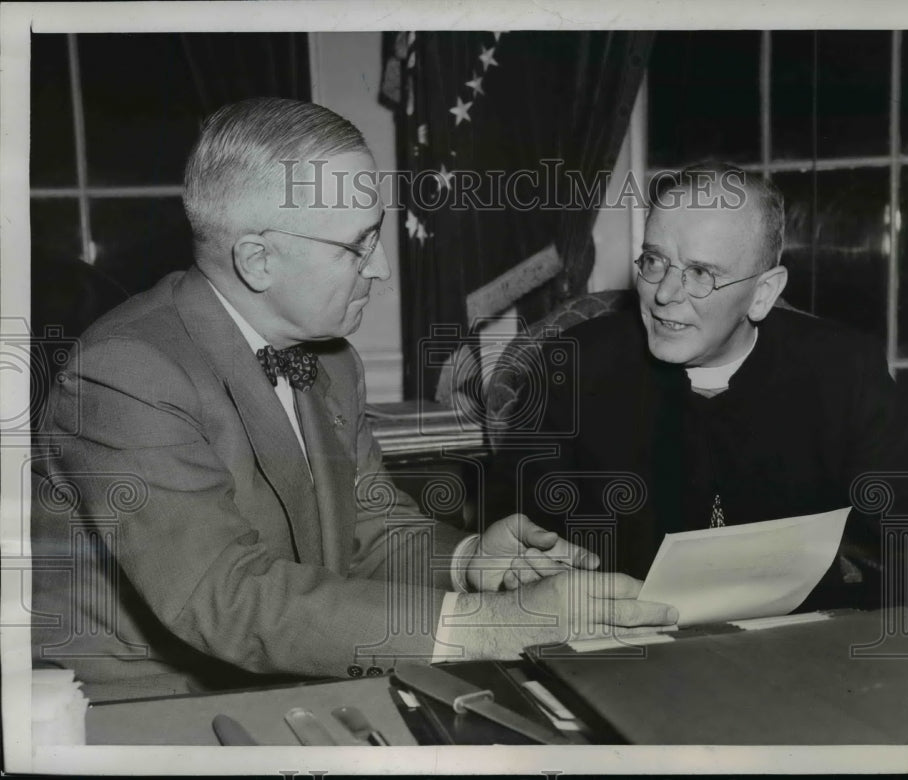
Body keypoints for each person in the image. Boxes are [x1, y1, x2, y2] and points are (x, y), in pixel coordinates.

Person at [30, 98, 677, 699]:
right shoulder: (125, 373)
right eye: (356, 246)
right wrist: (492, 624)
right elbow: (222, 596)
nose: (381, 269)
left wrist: (468, 559)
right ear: (257, 261)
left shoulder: (330, 360)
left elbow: (370, 528)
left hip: (287, 676)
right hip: (140, 704)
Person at [489, 162, 908, 617]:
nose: (664, 294)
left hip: (799, 653)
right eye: (654, 261)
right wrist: (527, 568)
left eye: (701, 273)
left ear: (763, 293)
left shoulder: (843, 370)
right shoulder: (570, 367)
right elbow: (511, 531)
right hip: (620, 647)